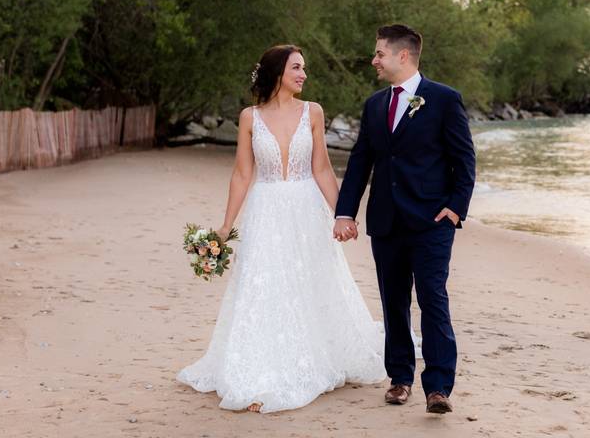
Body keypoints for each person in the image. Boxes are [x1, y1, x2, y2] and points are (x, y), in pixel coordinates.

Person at [176, 45, 385, 413]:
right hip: (265, 210)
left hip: (307, 209)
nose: (303, 75)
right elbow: (243, 173)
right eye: (297, 68)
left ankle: (314, 353)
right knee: (265, 287)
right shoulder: (249, 118)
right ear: (277, 73)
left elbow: (321, 168)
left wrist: (343, 214)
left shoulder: (314, 112)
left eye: (304, 68)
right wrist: (226, 226)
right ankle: (260, 370)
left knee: (312, 282)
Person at [334, 24, 476, 414]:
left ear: (403, 55)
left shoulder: (445, 100)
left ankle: (438, 388)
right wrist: (345, 211)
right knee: (393, 302)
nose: (374, 59)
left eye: (379, 53)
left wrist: (455, 208)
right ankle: (399, 379)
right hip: (386, 222)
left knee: (433, 300)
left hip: (432, 221)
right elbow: (362, 159)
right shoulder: (375, 104)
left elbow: (464, 159)